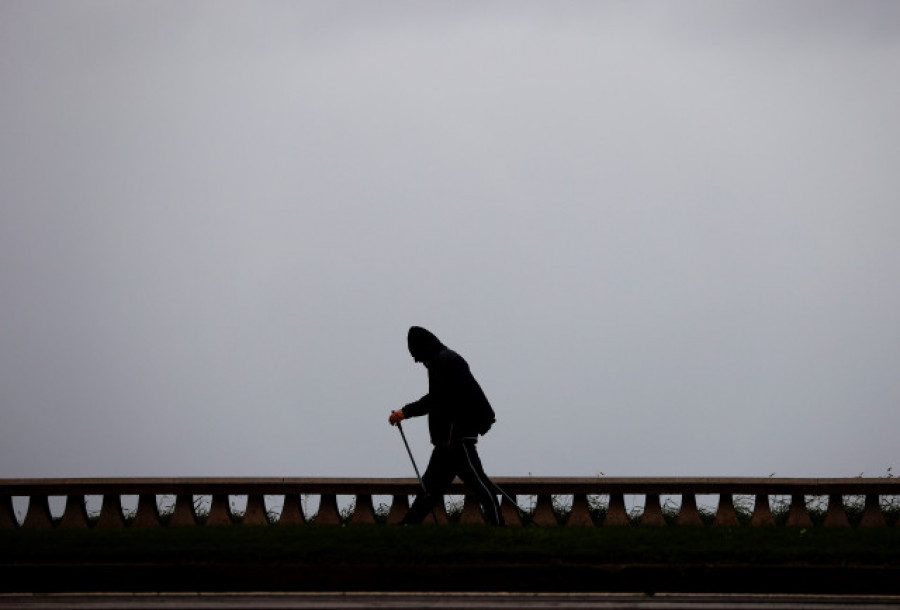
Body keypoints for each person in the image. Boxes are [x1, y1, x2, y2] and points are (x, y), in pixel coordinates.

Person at [389, 326, 504, 525]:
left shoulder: (442, 362)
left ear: (422, 349)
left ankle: (499, 526)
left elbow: (438, 400)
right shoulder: (445, 359)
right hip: (449, 440)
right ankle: (408, 525)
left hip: (456, 438)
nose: (417, 361)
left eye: (416, 355)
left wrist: (405, 412)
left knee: (478, 485)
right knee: (431, 488)